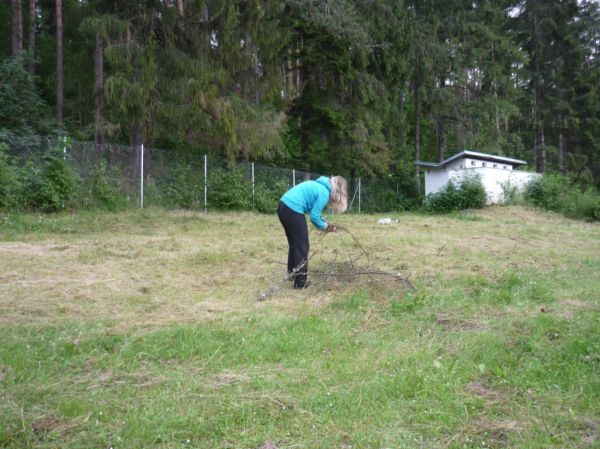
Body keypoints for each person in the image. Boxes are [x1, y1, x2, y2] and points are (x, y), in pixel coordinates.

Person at [277, 175, 348, 289]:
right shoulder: (324, 192)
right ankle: (300, 284)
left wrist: (326, 224)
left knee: (295, 245)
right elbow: (314, 217)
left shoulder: (319, 186)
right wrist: (326, 227)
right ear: (338, 191)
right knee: (302, 247)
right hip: (293, 209)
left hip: (283, 206)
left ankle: (292, 274)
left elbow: (316, 213)